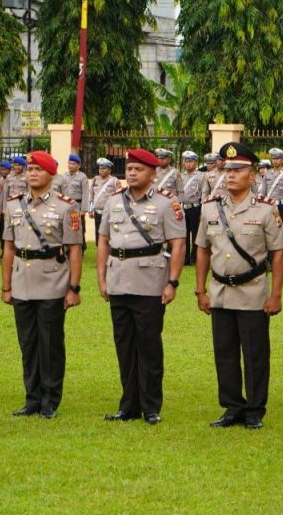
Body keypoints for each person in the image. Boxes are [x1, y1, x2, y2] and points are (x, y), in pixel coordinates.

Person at [195, 142, 283, 430]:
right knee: (224, 352)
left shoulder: (265, 211)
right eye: (227, 169)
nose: (231, 174)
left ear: (253, 175)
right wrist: (200, 290)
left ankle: (254, 410)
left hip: (253, 292)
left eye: (238, 169)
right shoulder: (210, 209)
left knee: (255, 353)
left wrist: (276, 295)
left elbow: (279, 253)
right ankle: (232, 407)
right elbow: (202, 249)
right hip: (220, 291)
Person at [97, 149, 186, 425]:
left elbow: (178, 243)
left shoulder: (165, 203)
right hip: (119, 279)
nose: (132, 173)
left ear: (152, 173)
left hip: (149, 281)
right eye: (130, 168)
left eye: (138, 169)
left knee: (148, 345)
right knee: (124, 345)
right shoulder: (113, 202)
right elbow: (103, 240)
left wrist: (172, 282)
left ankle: (150, 406)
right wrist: (101, 277)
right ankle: (129, 404)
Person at [1, 151, 83, 419]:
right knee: (28, 343)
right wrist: (5, 286)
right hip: (22, 280)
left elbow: (74, 250)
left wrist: (74, 288)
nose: (32, 173)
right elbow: (9, 247)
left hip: (52, 280)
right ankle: (32, 398)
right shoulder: (14, 204)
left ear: (51, 174)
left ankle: (50, 400)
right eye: (29, 169)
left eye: (38, 169)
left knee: (50, 344)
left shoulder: (65, 205)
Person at [57, 154, 89, 250]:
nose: (70, 165)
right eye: (69, 163)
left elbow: (85, 194)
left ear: (78, 165)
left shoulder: (82, 177)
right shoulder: (64, 176)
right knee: (66, 226)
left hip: (77, 205)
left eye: (73, 164)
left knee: (78, 227)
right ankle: (66, 248)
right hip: (66, 206)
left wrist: (83, 210)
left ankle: (81, 249)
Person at [179, 151, 203, 265]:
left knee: (195, 234)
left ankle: (194, 258)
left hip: (195, 208)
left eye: (191, 161)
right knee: (184, 234)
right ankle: (185, 258)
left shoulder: (200, 176)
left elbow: (203, 193)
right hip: (183, 208)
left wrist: (202, 210)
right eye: (186, 161)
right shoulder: (181, 176)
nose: (188, 164)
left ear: (195, 162)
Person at [88, 158, 119, 231]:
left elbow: (119, 198)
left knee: (107, 232)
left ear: (109, 170)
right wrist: (90, 210)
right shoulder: (95, 179)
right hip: (97, 212)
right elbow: (91, 196)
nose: (101, 170)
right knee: (98, 232)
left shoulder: (114, 181)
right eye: (100, 168)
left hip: (109, 212)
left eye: (104, 168)